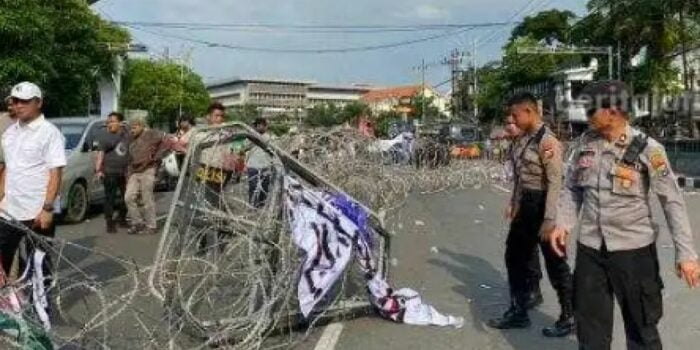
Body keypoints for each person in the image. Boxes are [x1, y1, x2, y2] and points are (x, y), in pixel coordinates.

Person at [547, 81, 700, 349]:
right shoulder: (585, 144)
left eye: (591, 109)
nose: (587, 115)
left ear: (613, 111)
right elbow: (573, 188)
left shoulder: (648, 149)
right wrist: (563, 222)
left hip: (634, 252)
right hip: (591, 250)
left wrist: (686, 254)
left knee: (642, 328)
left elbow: (672, 202)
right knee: (590, 328)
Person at [488, 92, 574, 338]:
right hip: (526, 205)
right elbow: (520, 177)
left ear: (528, 112)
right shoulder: (524, 140)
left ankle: (569, 316)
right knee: (514, 256)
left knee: (556, 263)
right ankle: (519, 310)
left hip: (545, 206)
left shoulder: (547, 142)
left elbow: (555, 182)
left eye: (515, 115)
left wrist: (549, 220)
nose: (512, 119)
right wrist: (515, 203)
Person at [0, 82, 66, 322]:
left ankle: (41, 315)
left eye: (24, 101)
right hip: (9, 211)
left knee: (39, 266)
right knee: (1, 262)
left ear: (38, 102)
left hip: (38, 213)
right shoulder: (10, 132)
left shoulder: (49, 133)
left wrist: (48, 208)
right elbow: (9, 169)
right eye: (15, 101)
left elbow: (56, 173)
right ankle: (6, 307)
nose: (18, 105)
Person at [503, 113, 544, 311]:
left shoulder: (536, 142)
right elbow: (519, 179)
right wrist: (513, 202)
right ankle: (529, 290)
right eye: (507, 123)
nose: (510, 126)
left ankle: (534, 290)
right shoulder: (515, 145)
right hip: (523, 199)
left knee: (534, 249)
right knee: (523, 249)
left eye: (513, 122)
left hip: (539, 200)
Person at [124, 116, 166, 235]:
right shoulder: (131, 139)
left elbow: (167, 140)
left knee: (147, 198)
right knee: (128, 197)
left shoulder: (151, 134)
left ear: (142, 126)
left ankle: (151, 226)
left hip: (148, 169)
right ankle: (137, 223)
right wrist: (128, 173)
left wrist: (156, 157)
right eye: (131, 128)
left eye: (135, 127)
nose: (132, 130)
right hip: (134, 170)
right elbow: (129, 156)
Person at [95, 112, 129, 234]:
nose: (109, 124)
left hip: (125, 172)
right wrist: (98, 170)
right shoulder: (105, 137)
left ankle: (122, 218)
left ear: (120, 122)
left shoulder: (127, 134)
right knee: (110, 197)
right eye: (108, 122)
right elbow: (100, 154)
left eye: (112, 121)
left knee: (127, 196)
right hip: (110, 172)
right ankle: (109, 222)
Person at [246, 117, 273, 208]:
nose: (263, 127)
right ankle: (252, 205)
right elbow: (244, 147)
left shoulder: (269, 137)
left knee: (264, 188)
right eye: (260, 125)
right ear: (256, 126)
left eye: (264, 126)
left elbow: (273, 151)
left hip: (265, 165)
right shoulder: (249, 137)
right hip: (253, 166)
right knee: (253, 187)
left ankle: (261, 205)